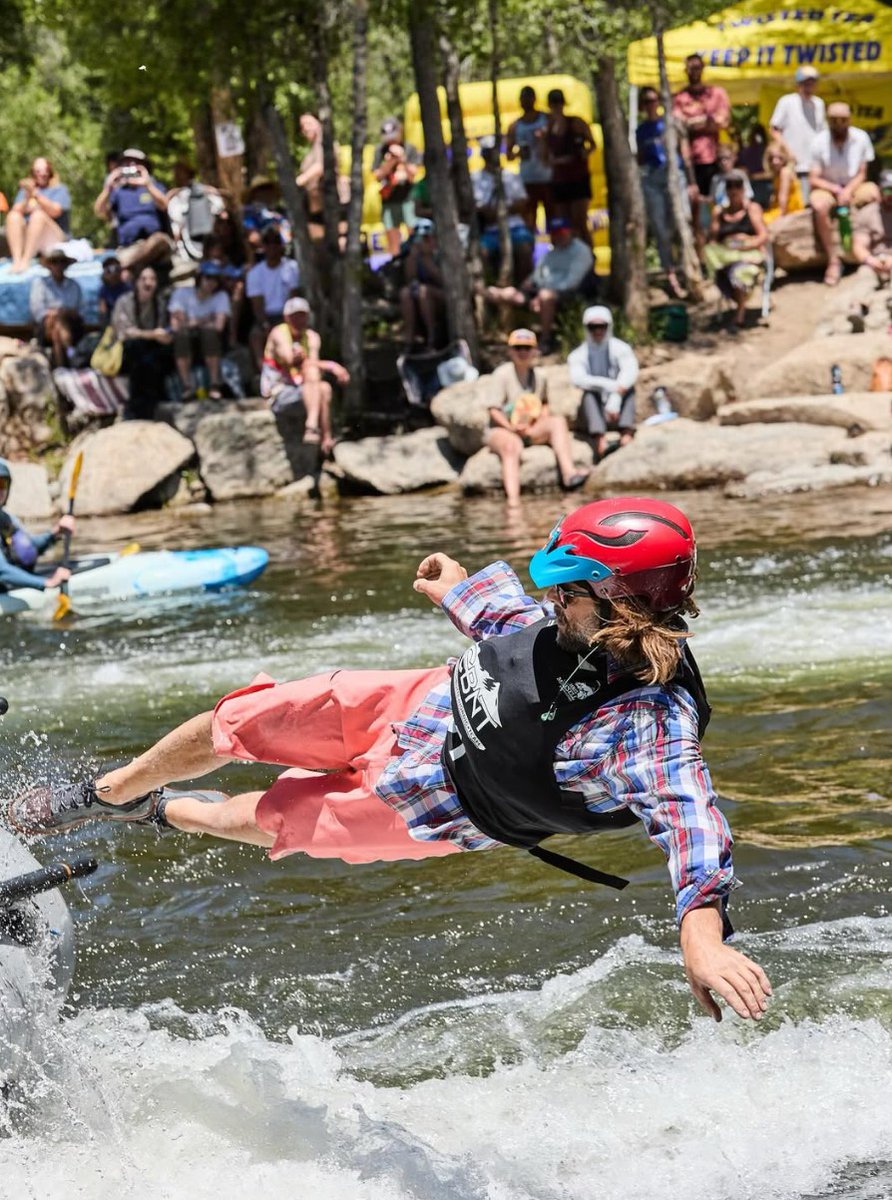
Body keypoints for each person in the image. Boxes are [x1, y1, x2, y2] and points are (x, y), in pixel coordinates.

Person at [9, 496, 774, 1026]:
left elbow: (692, 823)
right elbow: (514, 628)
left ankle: (154, 812)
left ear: (614, 602)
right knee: (240, 720)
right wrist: (459, 591)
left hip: (442, 810)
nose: (551, 598)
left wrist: (701, 936)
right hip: (413, 707)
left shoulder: (647, 722)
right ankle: (105, 791)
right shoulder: (576, 621)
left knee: (261, 819)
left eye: (565, 588)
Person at [485, 328, 589, 505]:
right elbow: (493, 410)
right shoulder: (502, 374)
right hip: (504, 429)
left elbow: (545, 404)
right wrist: (511, 428)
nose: (523, 352)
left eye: (527, 348)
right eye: (518, 348)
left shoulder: (540, 376)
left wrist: (538, 419)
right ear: (510, 351)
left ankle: (569, 474)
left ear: (534, 351)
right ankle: (513, 502)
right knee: (511, 447)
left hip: (530, 427)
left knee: (558, 422)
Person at [485, 216, 595, 354]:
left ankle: (545, 341)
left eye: (562, 232)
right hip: (540, 292)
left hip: (570, 294)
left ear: (571, 232)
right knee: (505, 293)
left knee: (545, 296)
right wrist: (529, 284)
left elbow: (571, 283)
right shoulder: (550, 252)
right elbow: (536, 275)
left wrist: (540, 294)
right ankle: (501, 336)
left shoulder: (581, 251)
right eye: (555, 233)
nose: (558, 236)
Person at [260, 296, 347, 453]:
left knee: (324, 387)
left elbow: (312, 365)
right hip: (279, 393)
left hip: (303, 391)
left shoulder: (312, 337)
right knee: (314, 374)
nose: (299, 321)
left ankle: (325, 437)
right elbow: (289, 360)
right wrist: (332, 366)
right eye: (295, 316)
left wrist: (313, 362)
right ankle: (312, 425)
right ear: (286, 317)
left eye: (302, 316)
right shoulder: (279, 333)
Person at [808, 102, 879, 286]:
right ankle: (833, 260)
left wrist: (848, 191)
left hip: (854, 186)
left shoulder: (861, 137)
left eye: (843, 120)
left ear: (849, 120)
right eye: (834, 120)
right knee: (819, 205)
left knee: (874, 194)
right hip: (828, 187)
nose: (839, 124)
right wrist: (835, 189)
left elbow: (862, 173)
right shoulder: (818, 141)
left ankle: (876, 249)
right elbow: (813, 178)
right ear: (828, 120)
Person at [635, 86, 689, 298]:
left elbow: (683, 151)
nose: (651, 104)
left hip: (674, 175)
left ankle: (686, 267)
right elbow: (640, 158)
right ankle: (670, 273)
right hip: (652, 179)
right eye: (647, 101)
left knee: (681, 221)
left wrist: (690, 180)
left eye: (654, 99)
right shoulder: (641, 130)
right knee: (660, 228)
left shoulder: (671, 123)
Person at [567, 305, 639, 460]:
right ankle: (601, 442)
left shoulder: (621, 348)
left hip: (618, 410)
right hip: (596, 412)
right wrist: (610, 385)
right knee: (588, 395)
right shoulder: (578, 354)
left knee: (630, 390)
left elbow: (630, 372)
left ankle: (626, 435)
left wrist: (616, 396)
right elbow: (578, 379)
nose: (598, 331)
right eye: (593, 327)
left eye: (602, 326)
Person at [672, 54, 731, 242]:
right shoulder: (679, 97)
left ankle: (718, 244)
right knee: (694, 208)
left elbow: (723, 121)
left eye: (697, 67)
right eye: (691, 68)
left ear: (703, 68)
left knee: (719, 205)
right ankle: (700, 249)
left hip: (716, 159)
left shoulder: (717, 93)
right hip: (690, 162)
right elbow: (678, 126)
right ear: (686, 70)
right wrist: (706, 121)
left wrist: (693, 122)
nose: (694, 71)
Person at [704, 171, 768, 330]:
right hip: (726, 256)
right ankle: (739, 308)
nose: (733, 190)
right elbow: (712, 239)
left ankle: (739, 315)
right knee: (712, 255)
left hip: (749, 255)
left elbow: (763, 235)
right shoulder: (719, 212)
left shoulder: (752, 209)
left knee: (739, 273)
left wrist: (746, 244)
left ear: (744, 189)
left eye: (737, 186)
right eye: (729, 186)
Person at [0, 458, 73, 594]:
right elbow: (1, 571)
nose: (0, 491)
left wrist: (55, 533)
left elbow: (28, 547)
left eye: (2, 484)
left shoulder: (6, 518)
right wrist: (46, 583)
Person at [94, 148, 172, 274]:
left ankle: (122, 267)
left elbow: (164, 205)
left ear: (145, 167)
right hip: (129, 247)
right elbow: (100, 211)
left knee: (159, 240)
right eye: (127, 163)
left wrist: (147, 184)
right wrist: (108, 187)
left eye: (136, 163)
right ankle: (128, 267)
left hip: (155, 244)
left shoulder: (154, 186)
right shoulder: (119, 191)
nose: (131, 166)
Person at [110, 265, 173, 419]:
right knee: (137, 352)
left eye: (152, 279)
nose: (148, 283)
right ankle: (136, 408)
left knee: (158, 355)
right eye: (144, 279)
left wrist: (165, 337)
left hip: (151, 348)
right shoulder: (125, 301)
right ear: (137, 282)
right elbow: (125, 333)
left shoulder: (159, 303)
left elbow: (162, 329)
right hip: (126, 349)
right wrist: (152, 335)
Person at [471, 136, 535, 283]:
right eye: (487, 152)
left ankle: (524, 288)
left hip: (515, 227)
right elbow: (480, 208)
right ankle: (490, 288)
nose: (490, 156)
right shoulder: (475, 178)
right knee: (482, 253)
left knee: (524, 250)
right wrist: (495, 212)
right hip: (489, 230)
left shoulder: (510, 175)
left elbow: (522, 202)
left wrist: (500, 212)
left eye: (493, 152)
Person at [169, 260, 231, 400]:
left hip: (212, 341)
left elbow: (219, 326)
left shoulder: (221, 296)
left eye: (215, 279)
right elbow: (176, 325)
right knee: (182, 336)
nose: (211, 282)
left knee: (209, 334)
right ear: (199, 278)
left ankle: (214, 385)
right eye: (208, 278)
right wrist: (204, 320)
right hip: (186, 339)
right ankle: (187, 386)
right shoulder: (181, 293)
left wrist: (192, 322)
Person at [246, 228, 301, 371]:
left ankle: (293, 370)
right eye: (268, 243)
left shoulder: (291, 267)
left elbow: (294, 297)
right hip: (267, 316)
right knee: (255, 335)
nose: (272, 246)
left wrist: (288, 322)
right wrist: (265, 324)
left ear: (281, 245)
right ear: (263, 246)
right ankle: (263, 373)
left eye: (275, 242)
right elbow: (257, 305)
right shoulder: (254, 273)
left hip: (287, 314)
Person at [544, 88, 595, 245]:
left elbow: (592, 144)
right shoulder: (548, 128)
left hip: (578, 178)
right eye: (554, 103)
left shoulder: (576, 123)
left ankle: (589, 255)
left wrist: (583, 154)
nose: (556, 106)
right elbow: (544, 155)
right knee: (566, 225)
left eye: (558, 103)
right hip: (560, 180)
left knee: (580, 222)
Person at [5, 157, 72, 274]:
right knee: (13, 216)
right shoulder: (25, 192)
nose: (42, 174)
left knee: (38, 215)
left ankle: (26, 260)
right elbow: (15, 210)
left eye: (45, 170)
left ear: (50, 172)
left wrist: (36, 195)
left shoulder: (59, 189)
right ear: (33, 173)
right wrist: (27, 196)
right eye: (38, 171)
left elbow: (55, 211)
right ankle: (17, 260)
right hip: (31, 236)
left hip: (55, 237)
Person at [769, 67, 826, 204]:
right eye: (806, 82)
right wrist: (788, 151)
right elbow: (774, 129)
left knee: (812, 203)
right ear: (798, 84)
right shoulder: (787, 101)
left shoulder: (819, 103)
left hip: (814, 166)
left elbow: (822, 133)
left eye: (812, 82)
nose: (809, 86)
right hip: (793, 165)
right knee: (794, 203)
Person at [372, 117, 422, 257]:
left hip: (408, 198)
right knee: (392, 238)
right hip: (388, 199)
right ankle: (396, 261)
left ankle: (414, 261)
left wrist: (402, 158)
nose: (391, 141)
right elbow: (377, 176)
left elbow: (413, 174)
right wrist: (390, 162)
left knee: (413, 236)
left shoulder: (409, 148)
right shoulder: (380, 150)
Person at [505, 85, 553, 231]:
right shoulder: (515, 126)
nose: (526, 102)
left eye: (529, 98)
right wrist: (518, 153)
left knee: (553, 218)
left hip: (548, 176)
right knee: (529, 220)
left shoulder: (547, 120)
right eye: (523, 99)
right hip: (527, 178)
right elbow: (508, 155)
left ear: (534, 99)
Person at [29, 246, 84, 368]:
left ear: (66, 265)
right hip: (47, 325)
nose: (58, 265)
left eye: (61, 262)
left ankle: (60, 367)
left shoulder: (74, 286)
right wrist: (56, 313)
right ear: (49, 265)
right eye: (54, 262)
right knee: (56, 323)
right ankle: (70, 355)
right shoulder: (40, 284)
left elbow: (79, 311)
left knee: (57, 328)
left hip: (69, 324)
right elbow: (38, 312)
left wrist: (60, 313)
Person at [296, 112, 350, 237]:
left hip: (334, 199)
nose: (306, 128)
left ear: (319, 123)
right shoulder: (313, 149)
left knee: (340, 236)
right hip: (316, 204)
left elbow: (321, 166)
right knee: (317, 238)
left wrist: (299, 181)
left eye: (309, 123)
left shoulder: (326, 143)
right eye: (303, 126)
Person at [399, 218, 446, 350]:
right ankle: (409, 342)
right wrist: (412, 258)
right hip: (421, 295)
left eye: (427, 238)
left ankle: (432, 340)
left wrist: (427, 261)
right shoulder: (415, 254)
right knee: (405, 293)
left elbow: (443, 282)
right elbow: (410, 279)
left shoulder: (442, 254)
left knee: (424, 292)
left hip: (442, 296)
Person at [853, 168, 892, 285]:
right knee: (863, 280)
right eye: (887, 190)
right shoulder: (867, 213)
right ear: (880, 190)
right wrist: (870, 260)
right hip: (875, 260)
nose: (891, 195)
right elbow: (859, 245)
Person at [762, 141, 804, 224]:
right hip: (782, 209)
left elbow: (783, 199)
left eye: (779, 158)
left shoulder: (785, 172)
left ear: (784, 157)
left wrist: (779, 218)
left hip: (791, 210)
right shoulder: (777, 174)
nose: (775, 161)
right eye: (772, 158)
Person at [97, 256, 130, 327]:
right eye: (108, 269)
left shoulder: (128, 288)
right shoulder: (104, 289)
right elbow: (103, 312)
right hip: (110, 324)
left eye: (116, 268)